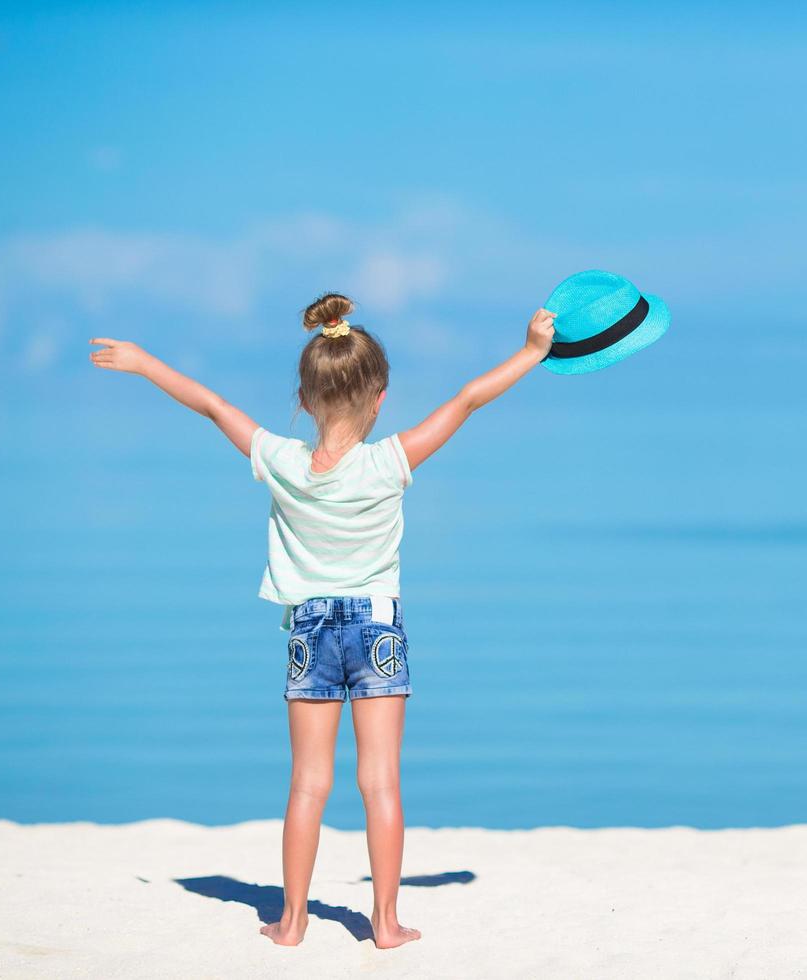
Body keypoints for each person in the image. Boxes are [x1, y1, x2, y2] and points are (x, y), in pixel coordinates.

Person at [89, 293, 556, 948]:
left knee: (308, 783)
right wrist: (533, 352)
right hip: (376, 628)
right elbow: (469, 398)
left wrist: (143, 362)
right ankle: (386, 923)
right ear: (380, 397)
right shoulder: (391, 461)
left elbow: (211, 405)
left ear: (304, 401)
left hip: (310, 630)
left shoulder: (282, 462)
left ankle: (293, 920)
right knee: (380, 780)